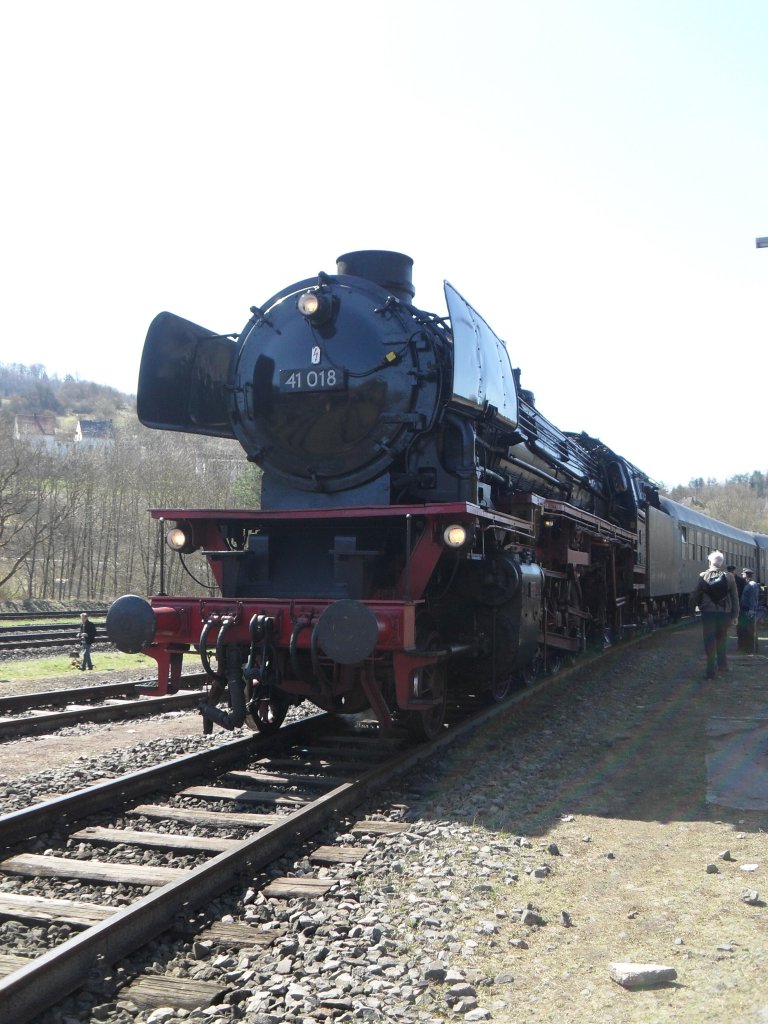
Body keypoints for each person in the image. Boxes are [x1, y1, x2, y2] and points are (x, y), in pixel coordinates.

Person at [690, 551, 739, 680]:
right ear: (721, 563)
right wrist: (735, 615)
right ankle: (723, 665)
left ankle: (711, 671)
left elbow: (694, 595)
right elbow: (735, 598)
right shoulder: (729, 577)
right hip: (724, 613)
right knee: (722, 640)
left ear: (710, 562)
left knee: (709, 642)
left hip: (708, 613)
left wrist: (691, 610)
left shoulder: (703, 576)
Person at [739, 569, 760, 654]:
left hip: (748, 610)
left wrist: (751, 610)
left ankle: (751, 649)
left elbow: (752, 598)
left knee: (750, 630)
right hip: (745, 610)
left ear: (747, 575)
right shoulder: (748, 584)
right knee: (746, 630)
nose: (741, 574)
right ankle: (747, 648)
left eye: (743, 573)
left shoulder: (752, 585)